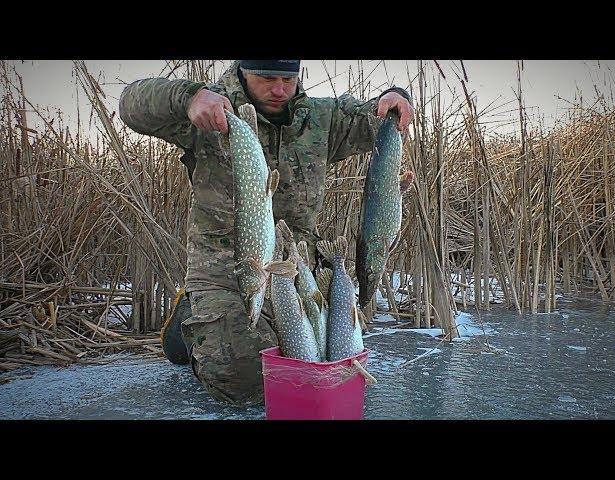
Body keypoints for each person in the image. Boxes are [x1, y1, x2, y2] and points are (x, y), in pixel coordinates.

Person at [119, 60, 414, 406]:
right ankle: (192, 323)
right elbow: (130, 104)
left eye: (288, 79)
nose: (279, 90)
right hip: (228, 269)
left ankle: (230, 325)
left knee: (323, 361)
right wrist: (188, 97)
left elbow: (380, 117)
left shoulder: (322, 117)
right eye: (267, 78)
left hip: (297, 264)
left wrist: (397, 98)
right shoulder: (208, 113)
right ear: (244, 72)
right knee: (244, 382)